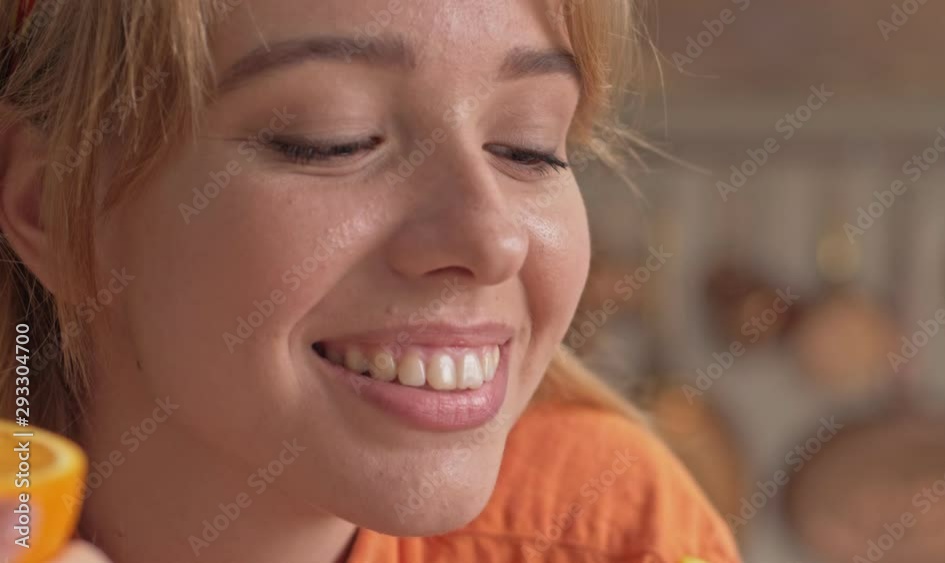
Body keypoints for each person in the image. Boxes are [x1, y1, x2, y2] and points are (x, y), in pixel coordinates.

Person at [0, 0, 741, 561]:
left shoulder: (613, 528)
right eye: (335, 138)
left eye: (530, 147)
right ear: (48, 203)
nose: (491, 238)